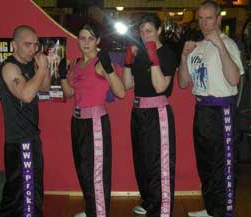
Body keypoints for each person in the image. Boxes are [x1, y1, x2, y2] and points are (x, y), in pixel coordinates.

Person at [178, 1, 244, 217]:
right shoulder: (198, 46)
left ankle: (224, 212)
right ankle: (211, 208)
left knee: (222, 165)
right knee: (205, 164)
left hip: (221, 110)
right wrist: (184, 56)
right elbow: (183, 83)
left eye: (209, 18)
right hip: (202, 110)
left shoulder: (228, 44)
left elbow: (234, 79)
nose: (204, 23)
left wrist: (220, 46)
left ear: (218, 19)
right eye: (201, 18)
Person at [59, 23, 125, 217]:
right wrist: (62, 76)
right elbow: (70, 93)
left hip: (95, 122)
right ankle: (92, 211)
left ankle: (99, 213)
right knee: (84, 171)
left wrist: (109, 69)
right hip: (77, 122)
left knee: (96, 174)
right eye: (82, 38)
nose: (86, 42)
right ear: (77, 40)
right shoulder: (78, 63)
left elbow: (120, 92)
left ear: (97, 41)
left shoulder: (100, 62)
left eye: (90, 38)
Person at [122, 14, 178, 217]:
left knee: (158, 164)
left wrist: (154, 58)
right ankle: (149, 201)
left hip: (157, 114)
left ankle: (161, 210)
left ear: (159, 30)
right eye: (142, 32)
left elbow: (161, 86)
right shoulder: (141, 53)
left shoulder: (167, 54)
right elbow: (128, 85)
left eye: (149, 31)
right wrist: (128, 63)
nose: (145, 36)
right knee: (142, 161)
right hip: (138, 112)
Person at [0, 25, 50, 217]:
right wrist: (42, 68)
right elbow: (26, 95)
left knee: (25, 189)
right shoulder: (10, 67)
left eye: (35, 45)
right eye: (27, 45)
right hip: (21, 140)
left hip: (30, 137)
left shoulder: (29, 64)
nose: (33, 49)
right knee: (26, 192)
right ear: (14, 45)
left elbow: (44, 88)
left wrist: (43, 67)